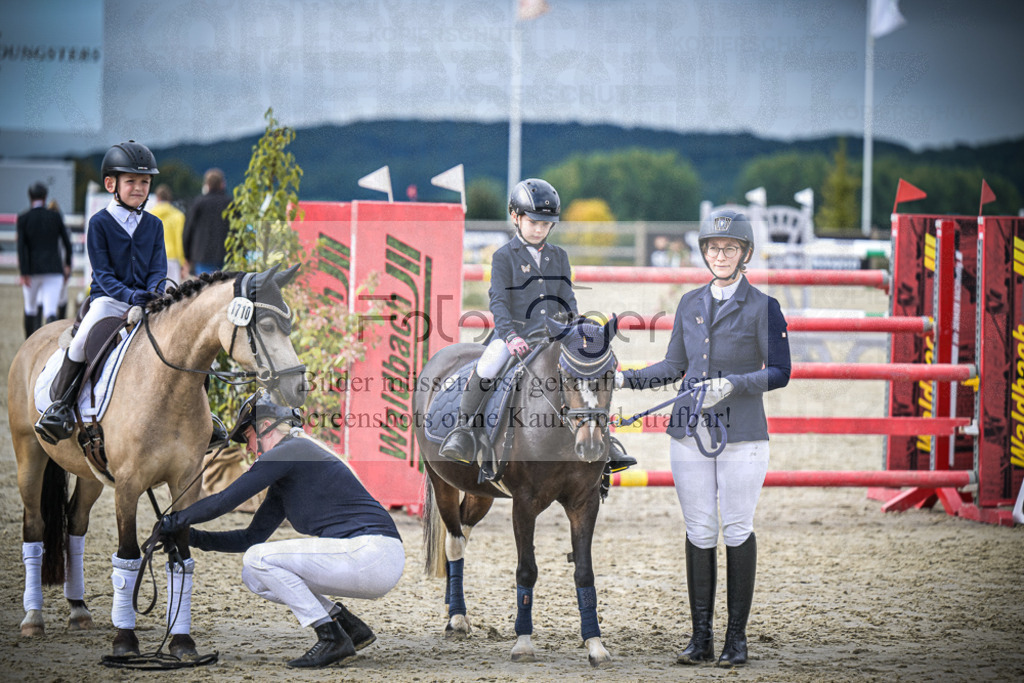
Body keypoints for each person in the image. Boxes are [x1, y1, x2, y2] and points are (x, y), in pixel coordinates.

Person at [617, 209, 790, 667]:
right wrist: (624, 380)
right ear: (704, 252)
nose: (720, 255)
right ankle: (700, 638)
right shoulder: (690, 303)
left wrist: (735, 383)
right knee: (698, 529)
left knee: (736, 527)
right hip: (688, 431)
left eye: (729, 248)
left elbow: (781, 371)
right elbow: (673, 366)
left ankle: (736, 638)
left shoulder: (763, 307)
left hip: (743, 432)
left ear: (745, 254)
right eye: (714, 248)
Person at [158, 392, 405, 669]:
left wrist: (174, 521)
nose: (249, 448)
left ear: (265, 426)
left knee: (258, 558)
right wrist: (192, 537)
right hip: (369, 558)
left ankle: (330, 635)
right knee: (253, 574)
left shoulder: (290, 450)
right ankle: (346, 625)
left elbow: (224, 501)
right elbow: (249, 538)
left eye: (248, 437)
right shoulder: (289, 468)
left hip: (372, 554)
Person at [440, 178, 635, 474]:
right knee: (489, 365)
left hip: (556, 335)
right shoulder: (503, 256)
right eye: (533, 222)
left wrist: (575, 332)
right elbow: (499, 302)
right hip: (514, 334)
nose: (539, 229)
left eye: (546, 224)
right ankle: (463, 430)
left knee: (590, 370)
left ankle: (605, 441)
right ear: (516, 218)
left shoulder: (559, 256)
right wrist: (509, 336)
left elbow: (567, 298)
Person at [34, 141, 167, 445]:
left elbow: (158, 269)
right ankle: (59, 407)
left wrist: (154, 292)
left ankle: (202, 417)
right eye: (131, 181)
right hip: (108, 299)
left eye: (144, 182)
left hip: (148, 299)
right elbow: (103, 275)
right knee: (80, 342)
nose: (139, 187)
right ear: (111, 184)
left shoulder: (154, 225)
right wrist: (130, 296)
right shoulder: (100, 223)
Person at [16, 182, 72, 338]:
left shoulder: (23, 218)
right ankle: (51, 345)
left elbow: (21, 247)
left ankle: (28, 343)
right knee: (51, 311)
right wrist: (67, 264)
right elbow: (67, 243)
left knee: (30, 308)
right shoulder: (55, 216)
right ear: (45, 197)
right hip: (54, 270)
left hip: (32, 271)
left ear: (30, 197)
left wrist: (24, 272)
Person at [183, 168, 231, 275]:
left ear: (206, 185)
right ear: (222, 184)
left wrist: (187, 256)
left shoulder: (198, 203)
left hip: (202, 255)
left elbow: (188, 230)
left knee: (205, 288)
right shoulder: (230, 203)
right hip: (226, 255)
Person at [148, 184, 186, 283]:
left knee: (157, 293)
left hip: (154, 258)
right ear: (169, 198)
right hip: (172, 258)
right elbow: (179, 240)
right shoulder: (178, 215)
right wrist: (182, 262)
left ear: (157, 197)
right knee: (174, 294)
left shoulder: (149, 216)